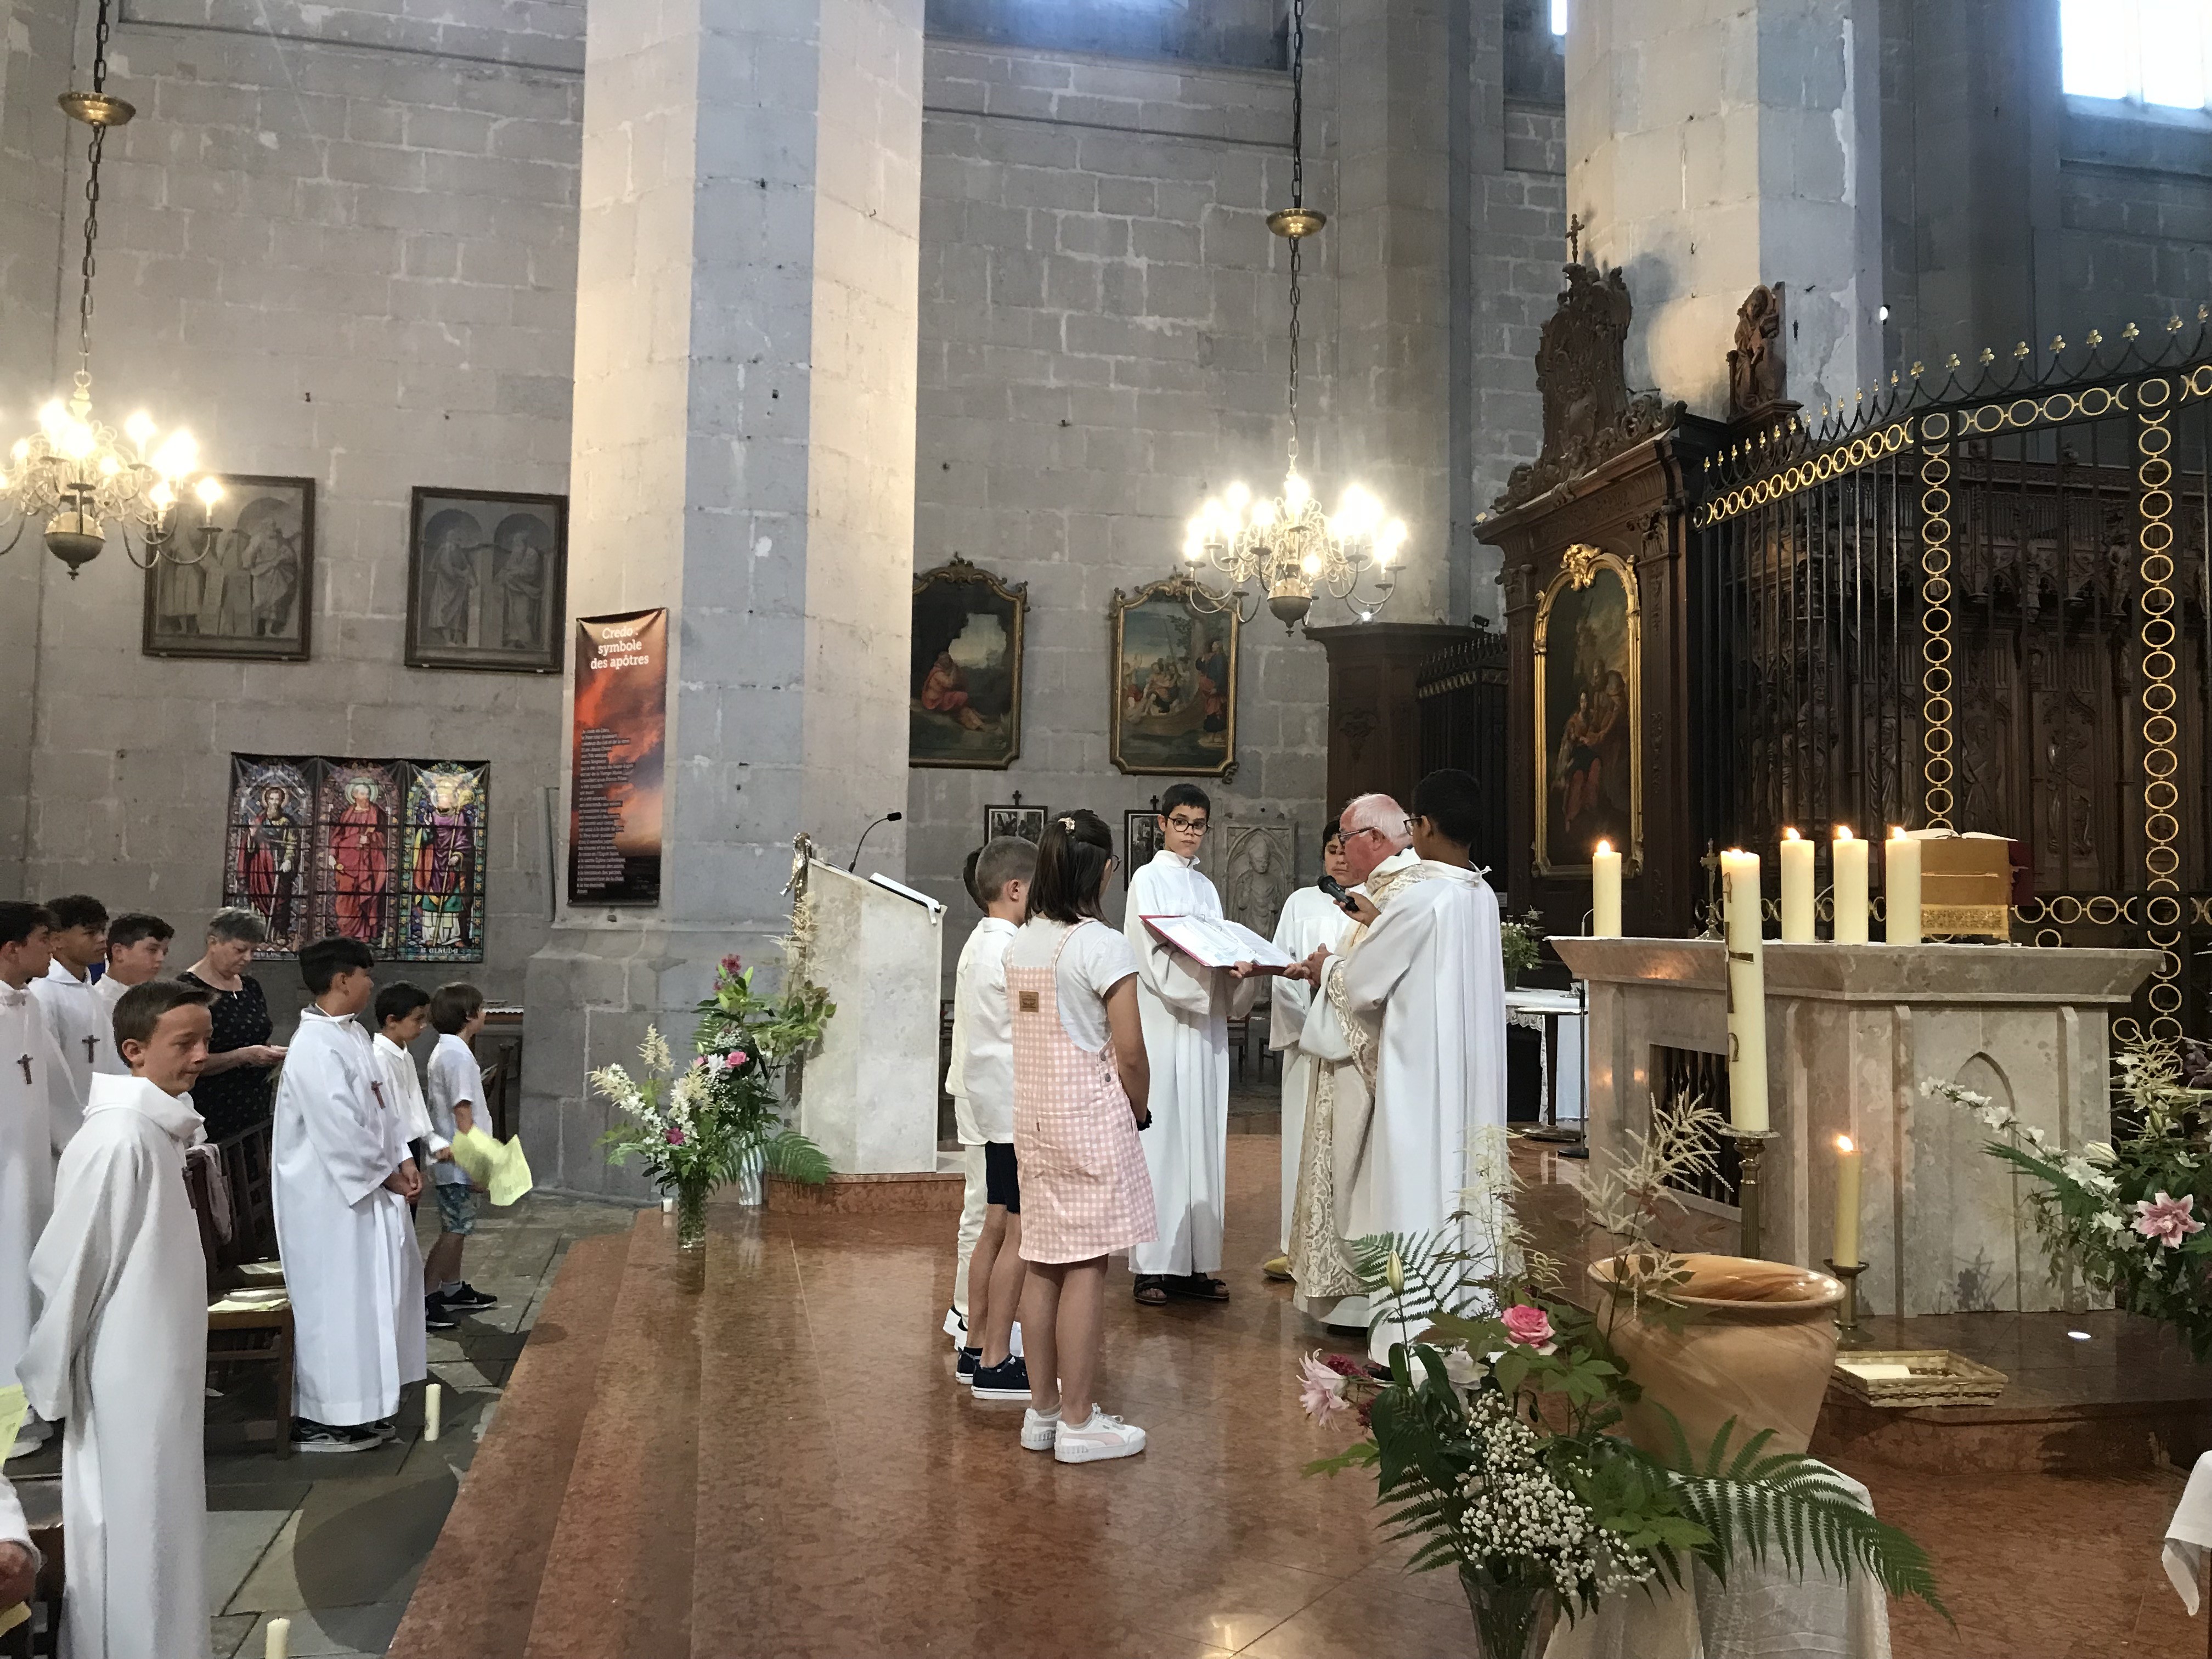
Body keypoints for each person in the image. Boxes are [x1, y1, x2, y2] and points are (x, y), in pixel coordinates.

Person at [20, 980, 215, 1659]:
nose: (198, 1057)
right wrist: (49, 1384)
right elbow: (71, 1267)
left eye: (205, 1042)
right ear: (134, 1051)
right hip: (126, 1374)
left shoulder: (154, 1131)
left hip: (161, 1365)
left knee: (162, 1522)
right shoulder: (117, 1141)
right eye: (182, 1044)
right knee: (129, 1527)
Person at [1295, 775, 1510, 1358]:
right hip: (1471, 1080)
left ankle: (1409, 1342)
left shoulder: (1419, 898)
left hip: (1419, 1082)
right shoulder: (1481, 896)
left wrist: (1328, 966)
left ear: (1428, 827)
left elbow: (1364, 986)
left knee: (1415, 1196)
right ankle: (1471, 1331)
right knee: (1464, 1193)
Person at [1009, 811, 1154, 1463]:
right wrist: (1141, 1108)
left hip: (1035, 1116)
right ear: (1100, 869)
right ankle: (1078, 1420)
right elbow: (1129, 1051)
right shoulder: (1100, 945)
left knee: (1042, 1260)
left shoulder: (1023, 942)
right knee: (1088, 1264)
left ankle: (1041, 1412)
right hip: (1088, 1117)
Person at [272, 936, 425, 1452]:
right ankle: (326, 1417)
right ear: (342, 980)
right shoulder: (315, 1045)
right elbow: (339, 1127)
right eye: (366, 977)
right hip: (330, 1204)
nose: (370, 986)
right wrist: (385, 1171)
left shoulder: (354, 1036)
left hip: (367, 1190)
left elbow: (383, 1109)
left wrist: (402, 1156)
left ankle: (366, 1409)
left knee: (371, 1301)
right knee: (338, 1305)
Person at [1284, 793, 1420, 1334]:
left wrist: (1330, 968)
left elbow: (1375, 987)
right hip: (1352, 1053)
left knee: (1360, 1183)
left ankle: (1363, 1301)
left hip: (1371, 1064)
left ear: (1378, 840)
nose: (1339, 850)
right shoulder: (1383, 892)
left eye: (1347, 838)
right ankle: (1351, 1301)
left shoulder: (1408, 893)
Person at [1122, 782, 1261, 1307]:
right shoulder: (1146, 879)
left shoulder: (1207, 889)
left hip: (1204, 1030)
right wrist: (1209, 982)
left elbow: (1217, 944)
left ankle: (1197, 1263)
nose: (1189, 834)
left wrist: (1236, 971)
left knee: (1203, 1136)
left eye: (1198, 825)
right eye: (1180, 823)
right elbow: (1149, 955)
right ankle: (1154, 1265)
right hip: (1164, 1022)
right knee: (1162, 1141)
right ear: (1162, 824)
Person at [950, 836, 1036, 1402]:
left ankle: (975, 1344)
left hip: (987, 1103)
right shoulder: (1013, 951)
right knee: (1018, 1232)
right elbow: (1035, 1026)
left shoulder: (977, 942)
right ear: (1015, 889)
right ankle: (998, 1360)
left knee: (993, 1225)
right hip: (1012, 1109)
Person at [1260, 821, 1356, 1280]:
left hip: (1351, 1044)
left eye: (1345, 848)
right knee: (1300, 1142)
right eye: (1331, 849)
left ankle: (1341, 1249)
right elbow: (1282, 966)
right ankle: (1293, 1245)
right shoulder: (1301, 902)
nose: (1339, 858)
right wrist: (1307, 1018)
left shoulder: (1369, 906)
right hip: (1307, 1041)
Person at [0, 902, 65, 1462]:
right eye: (44, 940)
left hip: (31, 1181)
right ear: (11, 949)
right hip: (4, 1184)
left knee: (25, 1290)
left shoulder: (27, 1007)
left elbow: (60, 1091)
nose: (52, 949)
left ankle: (28, 1406)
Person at [372, 984, 450, 1331]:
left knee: (408, 1227)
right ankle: (396, 1306)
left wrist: (431, 1141)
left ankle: (407, 1304)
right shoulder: (378, 1056)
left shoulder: (400, 1051)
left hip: (408, 1147)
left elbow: (413, 1103)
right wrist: (408, 1156)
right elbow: (390, 1114)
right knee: (395, 1230)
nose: (423, 1028)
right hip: (392, 1149)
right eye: (418, 1020)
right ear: (392, 1020)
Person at [179, 908, 287, 1144]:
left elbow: (256, 1035)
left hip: (254, 1104)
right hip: (213, 1106)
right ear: (213, 943)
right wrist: (242, 1056)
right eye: (240, 950)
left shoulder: (250, 987)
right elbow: (183, 1059)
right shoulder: (189, 989)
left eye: (253, 951)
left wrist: (270, 1053)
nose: (248, 958)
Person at [423, 982, 497, 1319]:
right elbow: (463, 1117)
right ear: (469, 1015)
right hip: (457, 1162)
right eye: (481, 1008)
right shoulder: (456, 1055)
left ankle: (451, 1287)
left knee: (460, 1226)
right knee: (453, 1230)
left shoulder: (451, 1050)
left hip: (455, 1160)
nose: (485, 1014)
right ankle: (426, 1297)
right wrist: (478, 1167)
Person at [31, 894, 111, 1136]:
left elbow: (109, 1058)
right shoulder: (43, 993)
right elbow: (49, 1076)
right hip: (61, 1129)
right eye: (91, 933)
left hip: (97, 1120)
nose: (102, 940)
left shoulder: (91, 991)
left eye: (103, 931)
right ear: (57, 940)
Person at [94, 912, 174, 1024]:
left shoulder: (163, 1002)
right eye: (152, 950)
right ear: (119, 952)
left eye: (164, 953)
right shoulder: (96, 1003)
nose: (161, 959)